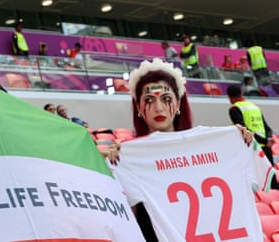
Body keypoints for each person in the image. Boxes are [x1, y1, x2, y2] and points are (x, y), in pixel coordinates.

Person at [104, 59, 265, 242]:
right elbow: (126, 222)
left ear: (179, 103)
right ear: (139, 107)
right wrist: (113, 163)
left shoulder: (221, 143)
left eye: (166, 99)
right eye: (149, 100)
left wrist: (240, 143)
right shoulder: (128, 156)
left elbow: (247, 196)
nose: (159, 108)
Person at [226, 84, 275, 165]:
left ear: (229, 96)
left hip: (251, 148)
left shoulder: (234, 108)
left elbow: (244, 130)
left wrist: (266, 141)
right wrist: (268, 139)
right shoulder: (254, 106)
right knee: (270, 175)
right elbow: (267, 128)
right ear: (241, 93)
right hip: (265, 148)